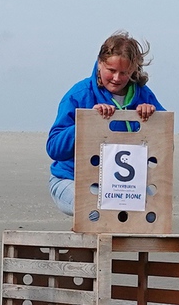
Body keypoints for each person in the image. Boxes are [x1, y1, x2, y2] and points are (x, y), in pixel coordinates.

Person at [45, 32, 165, 216]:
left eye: (124, 72)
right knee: (97, 213)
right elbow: (54, 148)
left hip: (124, 185)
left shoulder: (144, 95)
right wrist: (88, 122)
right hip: (70, 179)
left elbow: (164, 143)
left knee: (152, 213)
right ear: (100, 63)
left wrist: (149, 118)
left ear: (133, 70)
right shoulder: (79, 95)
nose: (117, 78)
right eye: (111, 70)